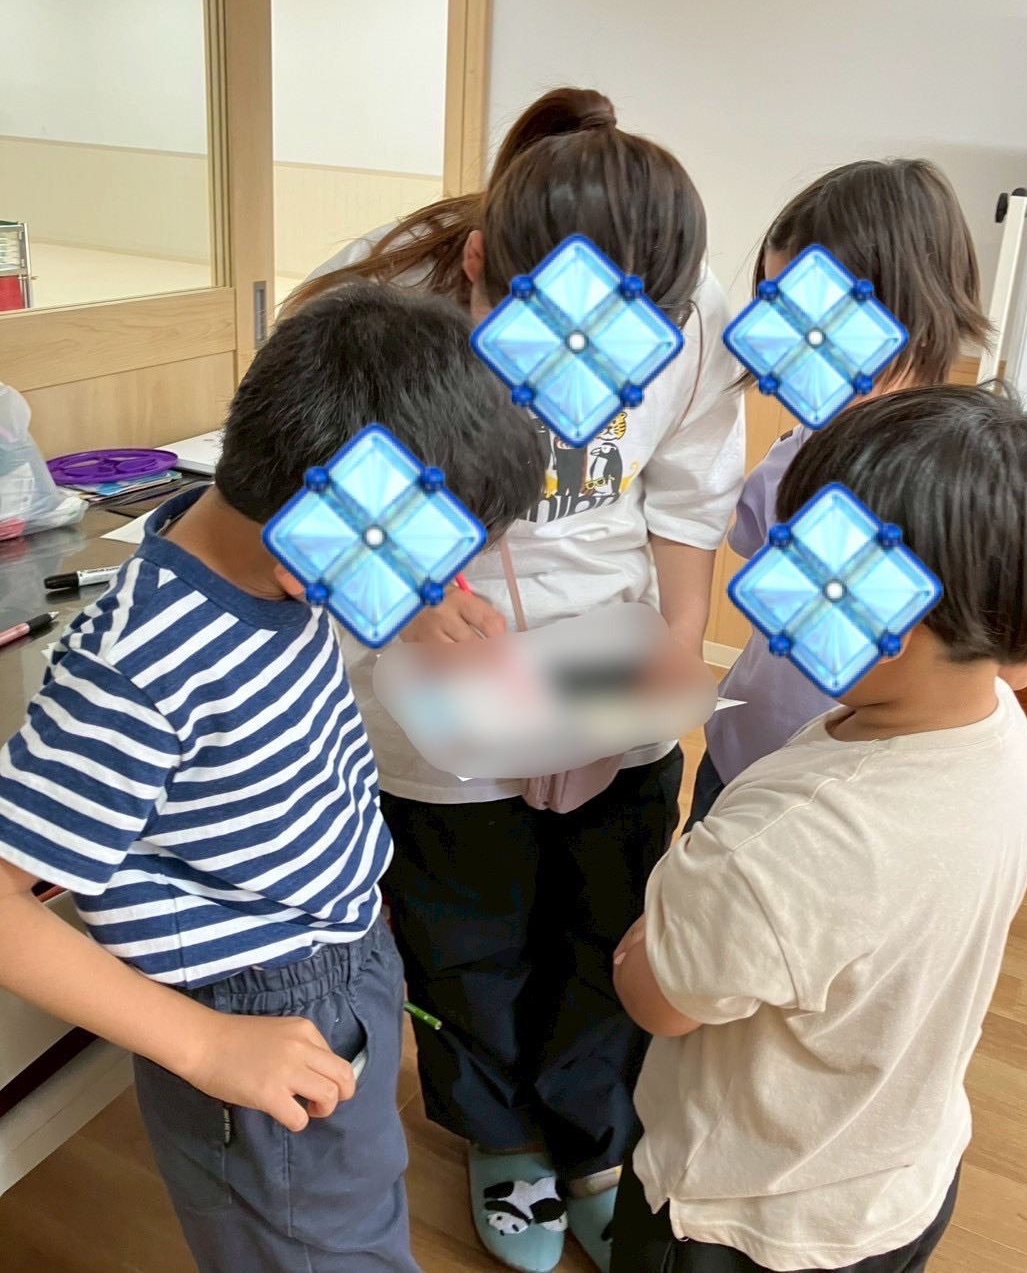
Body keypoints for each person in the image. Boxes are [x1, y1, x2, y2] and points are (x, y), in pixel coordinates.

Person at [0, 282, 546, 1273]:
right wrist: (204, 1045)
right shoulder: (140, 666)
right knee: (317, 1246)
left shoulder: (262, 540)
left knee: (355, 1204)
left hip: (340, 947)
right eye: (418, 564)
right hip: (250, 1003)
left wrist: (413, 607)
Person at [291, 88, 745, 1273]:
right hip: (434, 667)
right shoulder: (378, 304)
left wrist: (673, 645)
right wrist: (407, 591)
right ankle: (500, 1139)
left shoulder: (692, 309)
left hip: (605, 647)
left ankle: (594, 1137)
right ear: (480, 264)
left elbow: (689, 493)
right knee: (468, 931)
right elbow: (292, 484)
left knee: (608, 913)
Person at [610, 383, 1027, 1273]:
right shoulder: (998, 727)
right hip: (901, 1181)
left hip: (742, 1215)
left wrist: (653, 929)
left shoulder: (784, 846)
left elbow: (657, 999)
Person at [689, 159, 991, 828]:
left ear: (909, 314)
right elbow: (749, 540)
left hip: (844, 797)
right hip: (739, 756)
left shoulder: (956, 479)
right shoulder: (801, 439)